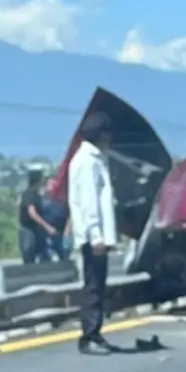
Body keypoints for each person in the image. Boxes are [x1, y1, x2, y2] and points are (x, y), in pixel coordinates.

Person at [68, 110, 118, 355]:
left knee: (98, 285)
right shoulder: (88, 162)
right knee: (93, 286)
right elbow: (89, 203)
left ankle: (95, 333)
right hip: (93, 237)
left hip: (96, 236)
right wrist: (97, 236)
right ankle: (89, 336)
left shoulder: (95, 159)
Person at [18, 169, 57, 264]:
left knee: (43, 254)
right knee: (29, 252)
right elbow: (32, 213)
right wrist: (47, 227)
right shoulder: (29, 194)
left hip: (37, 229)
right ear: (38, 181)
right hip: (28, 229)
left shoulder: (37, 196)